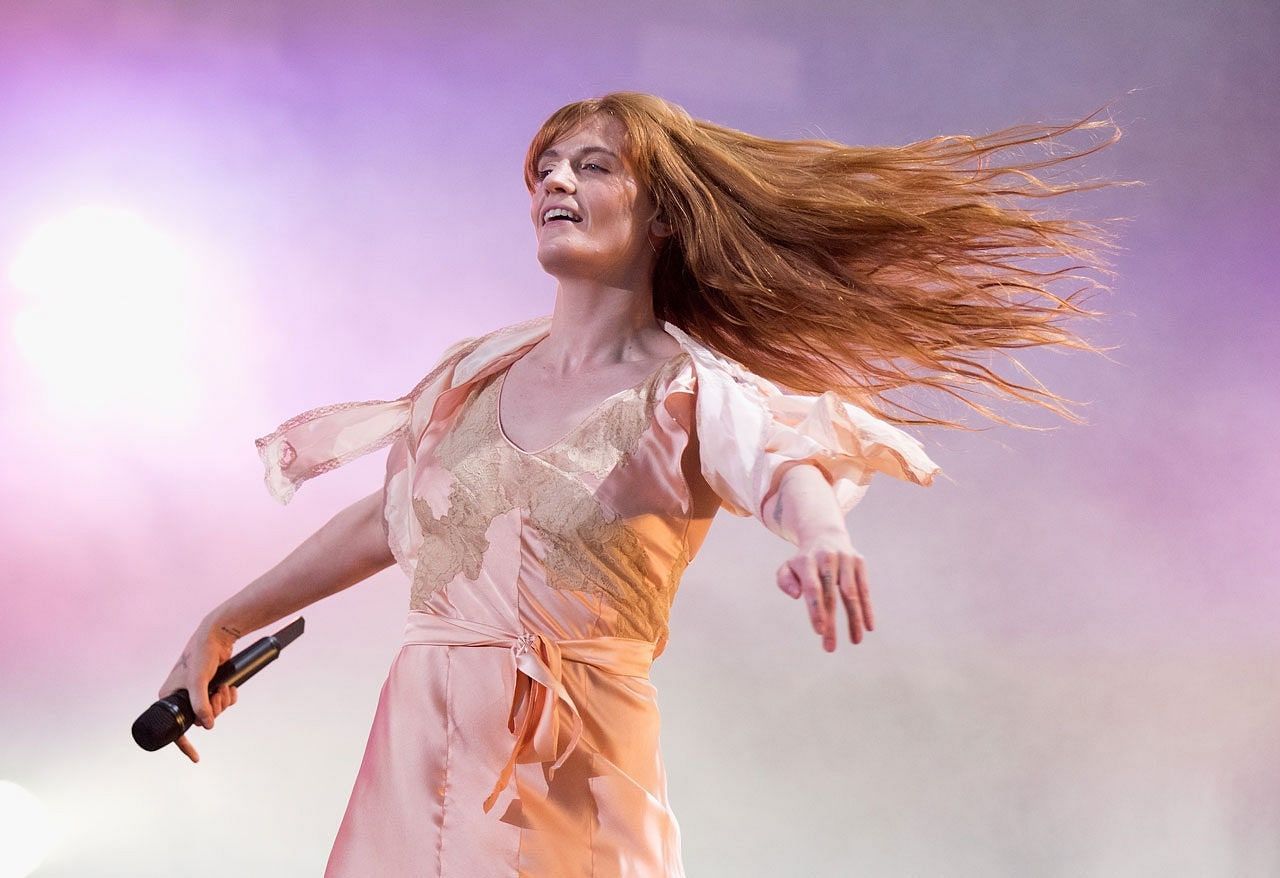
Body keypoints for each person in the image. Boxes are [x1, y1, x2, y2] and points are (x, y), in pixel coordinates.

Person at [156, 92, 1124, 876]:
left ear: (659, 212)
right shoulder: (473, 372)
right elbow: (395, 517)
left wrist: (821, 534)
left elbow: (782, 464)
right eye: (543, 166)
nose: (553, 180)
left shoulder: (689, 390)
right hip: (416, 756)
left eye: (591, 163)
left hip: (571, 767)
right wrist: (225, 619)